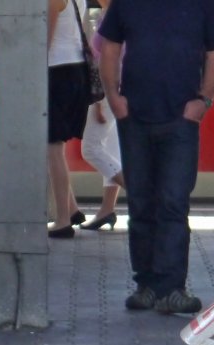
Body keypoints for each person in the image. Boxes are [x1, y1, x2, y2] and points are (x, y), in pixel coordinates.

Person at [97, 0, 214, 315]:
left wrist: (204, 101)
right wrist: (114, 97)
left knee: (173, 202)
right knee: (141, 203)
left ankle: (171, 289)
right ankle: (146, 286)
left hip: (181, 119)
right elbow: (110, 48)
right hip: (136, 118)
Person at [79, 0, 124, 231]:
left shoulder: (113, 14)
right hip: (118, 88)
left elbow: (106, 59)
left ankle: (141, 193)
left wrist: (98, 100)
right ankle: (107, 210)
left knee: (91, 148)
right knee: (112, 150)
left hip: (108, 90)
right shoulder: (114, 11)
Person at [47, 0, 90, 239]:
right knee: (54, 147)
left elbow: (46, 42)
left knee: (52, 147)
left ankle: (62, 219)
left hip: (57, 70)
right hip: (74, 68)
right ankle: (71, 209)